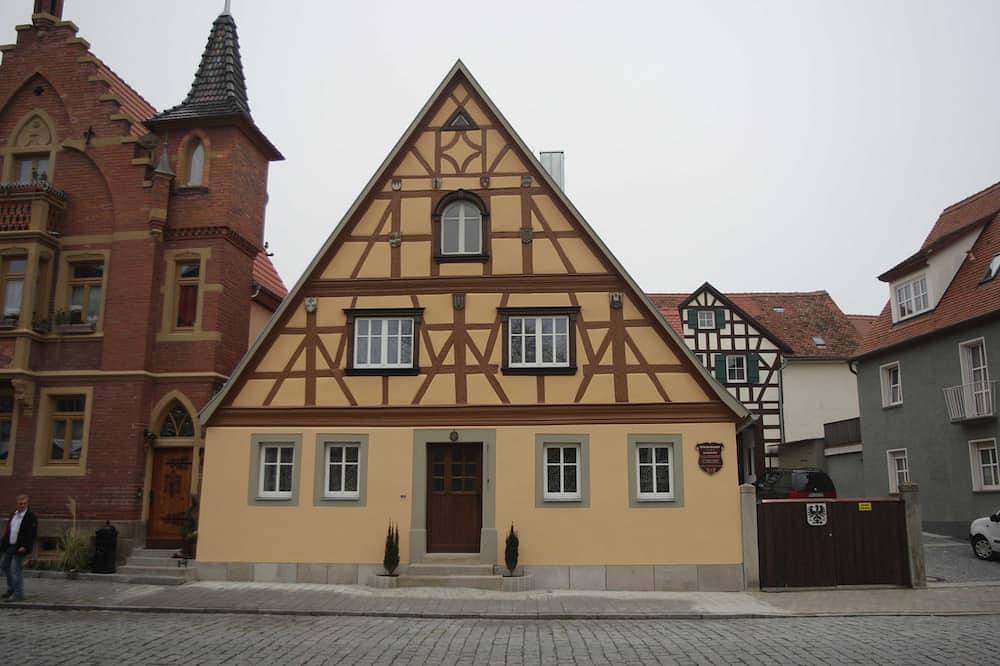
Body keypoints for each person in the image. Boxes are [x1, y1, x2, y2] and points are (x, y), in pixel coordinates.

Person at [2, 494, 37, 602]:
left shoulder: (30, 516)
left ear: (27, 503)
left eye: (24, 503)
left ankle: (19, 594)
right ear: (17, 503)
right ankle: (12, 588)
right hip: (10, 545)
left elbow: (32, 534)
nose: (21, 505)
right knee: (4, 566)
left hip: (20, 547)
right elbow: (9, 529)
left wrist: (25, 546)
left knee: (16, 570)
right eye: (19, 503)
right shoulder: (14, 514)